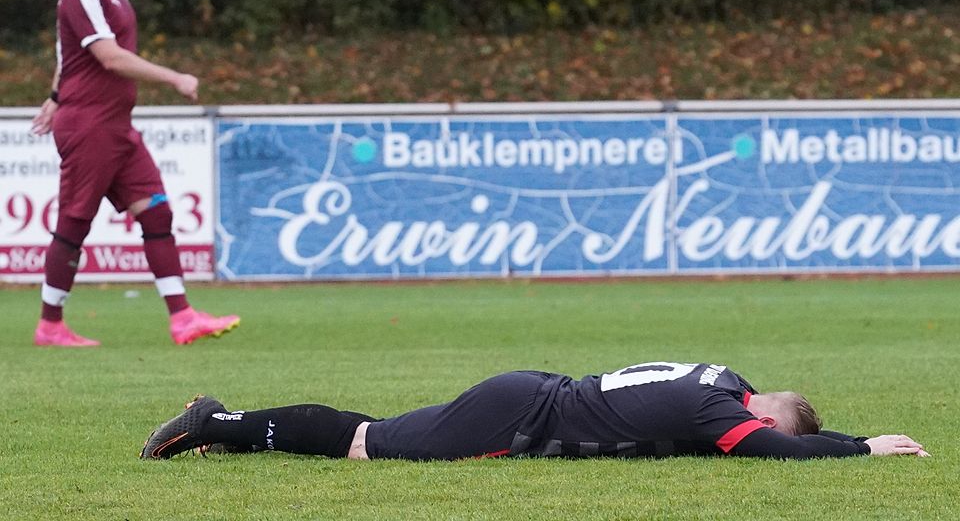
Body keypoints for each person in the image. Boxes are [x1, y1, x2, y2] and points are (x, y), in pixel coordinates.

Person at [30, 0, 239, 347]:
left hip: (116, 127)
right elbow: (108, 57)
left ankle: (182, 317)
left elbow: (68, 56)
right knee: (75, 221)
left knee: (157, 210)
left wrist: (53, 96)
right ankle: (50, 325)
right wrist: (174, 78)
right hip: (89, 126)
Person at [140, 361, 928, 460]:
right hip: (516, 416)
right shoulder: (713, 415)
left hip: (527, 392)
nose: (750, 431)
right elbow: (774, 449)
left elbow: (774, 427)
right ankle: (216, 421)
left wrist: (848, 432)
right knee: (364, 445)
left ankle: (230, 432)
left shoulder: (723, 381)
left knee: (372, 430)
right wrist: (864, 449)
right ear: (761, 415)